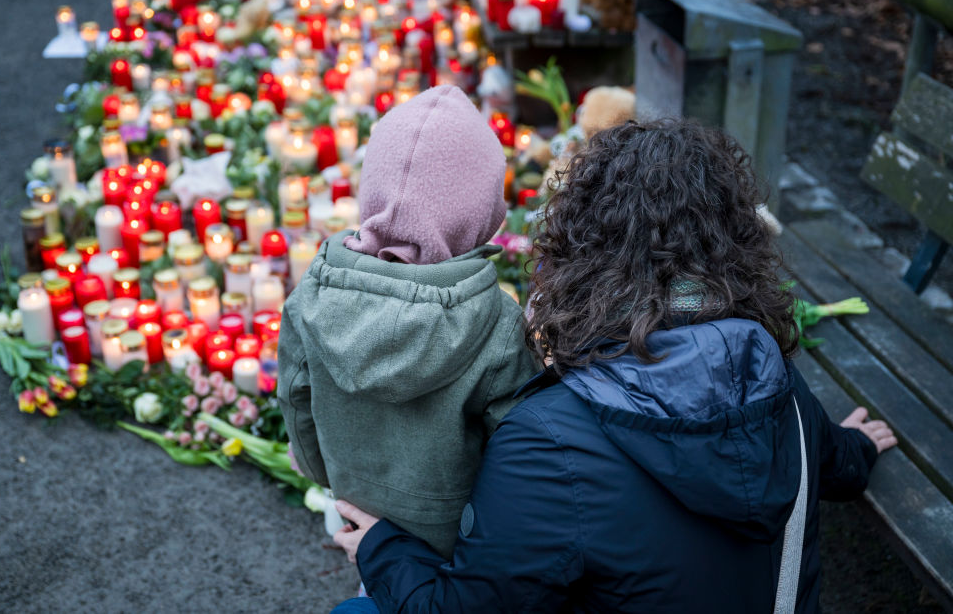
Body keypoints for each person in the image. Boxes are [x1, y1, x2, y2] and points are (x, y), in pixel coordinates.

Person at [331, 120, 897, 613]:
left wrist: (383, 547)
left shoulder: (550, 440)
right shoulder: (777, 386)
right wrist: (859, 446)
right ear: (738, 244)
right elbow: (837, 464)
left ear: (576, 250)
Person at [278, 85, 541, 560]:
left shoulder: (311, 298)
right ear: (483, 214)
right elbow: (516, 449)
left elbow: (296, 401)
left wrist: (324, 475)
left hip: (355, 505)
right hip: (454, 533)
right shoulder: (498, 326)